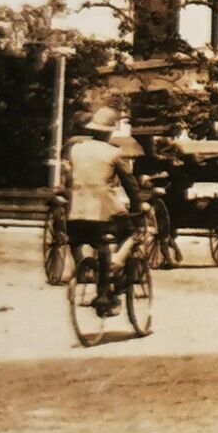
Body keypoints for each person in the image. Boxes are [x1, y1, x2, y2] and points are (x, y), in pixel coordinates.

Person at [63, 106, 142, 315]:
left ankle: (84, 268)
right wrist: (138, 205)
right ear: (109, 132)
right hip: (103, 213)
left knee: (83, 239)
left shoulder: (76, 149)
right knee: (131, 233)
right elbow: (130, 184)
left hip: (75, 213)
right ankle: (108, 283)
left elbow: (71, 178)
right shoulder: (114, 153)